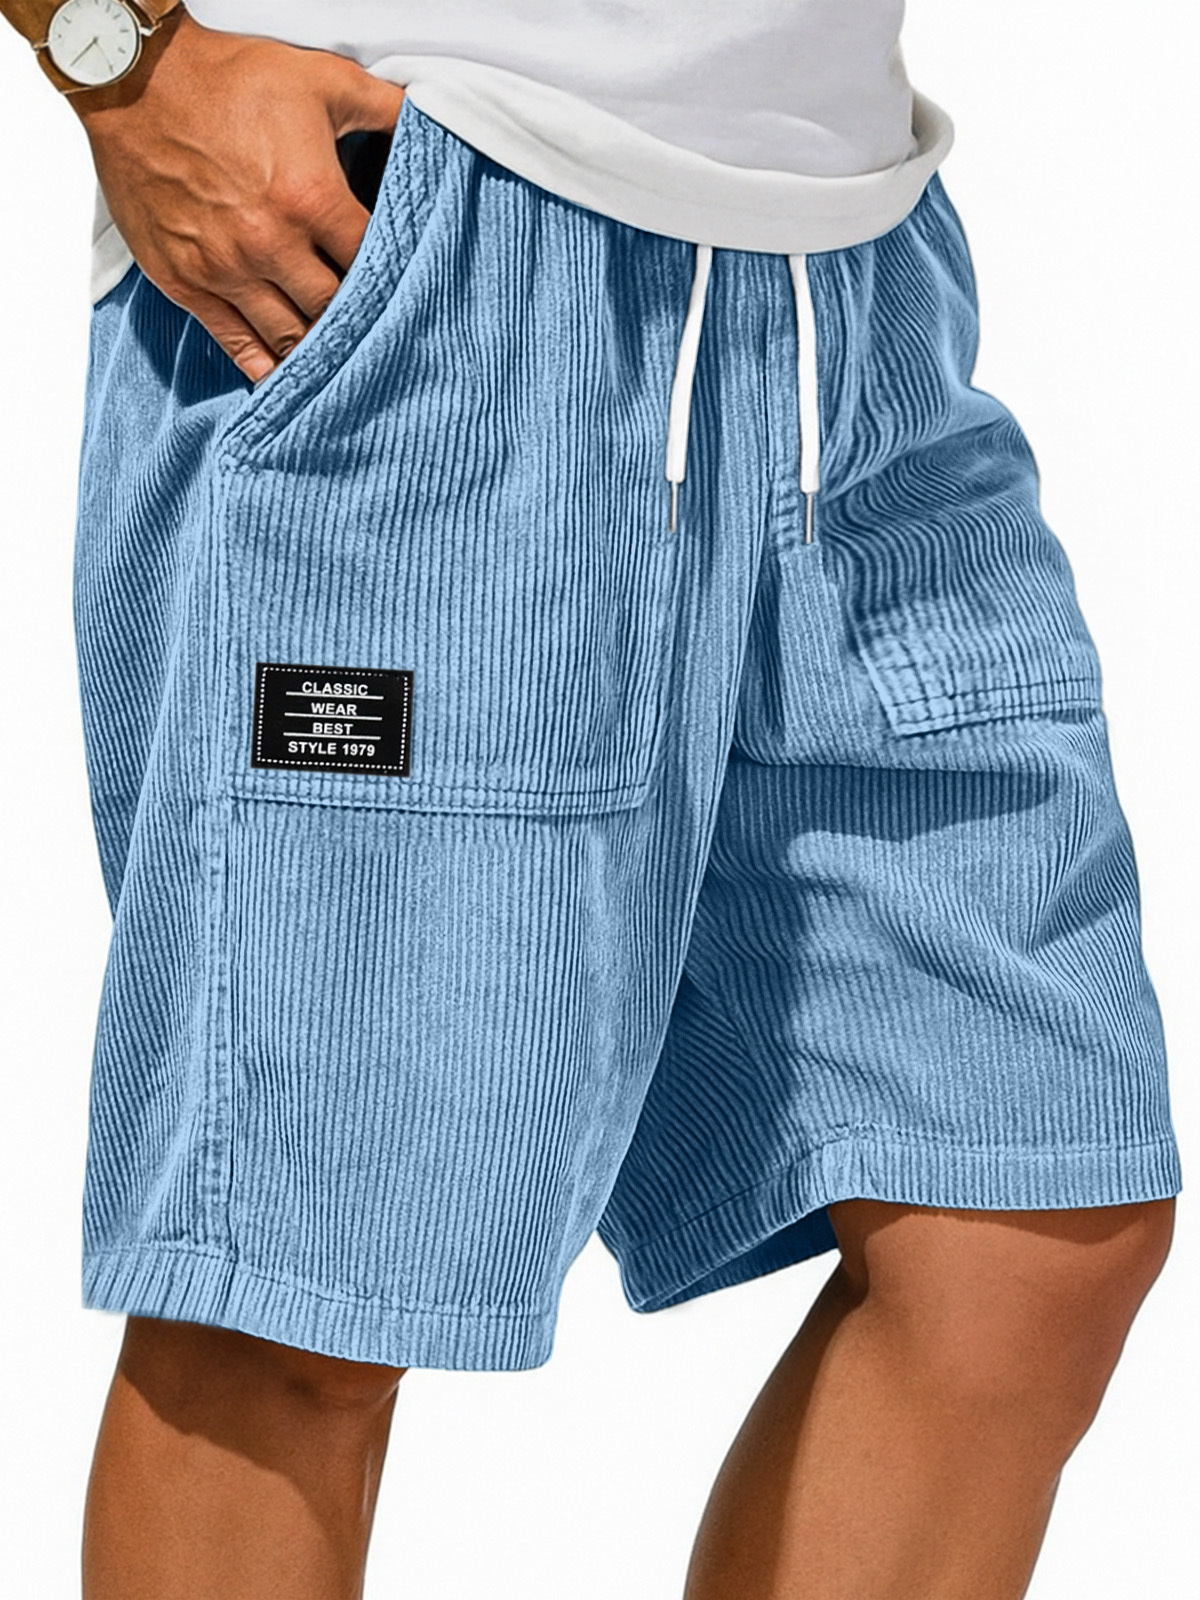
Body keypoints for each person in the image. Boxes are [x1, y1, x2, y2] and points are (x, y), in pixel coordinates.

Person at [2, 3, 1182, 1596]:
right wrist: (122, 60)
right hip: (413, 246)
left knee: (1024, 1227)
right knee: (301, 1299)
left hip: (851, 285)